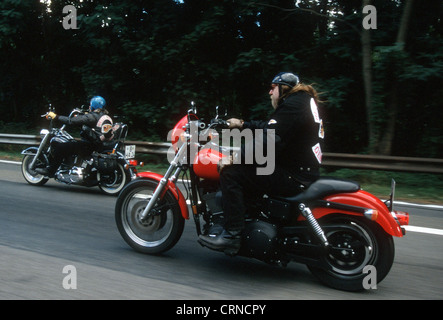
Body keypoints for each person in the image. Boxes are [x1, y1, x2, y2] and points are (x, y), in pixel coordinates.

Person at [199, 72, 325, 252]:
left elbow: (269, 139)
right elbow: (270, 127)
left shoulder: (294, 103)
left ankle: (231, 236)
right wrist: (241, 124)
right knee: (248, 168)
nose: (270, 92)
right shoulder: (301, 102)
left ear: (284, 88)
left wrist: (235, 157)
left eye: (273, 88)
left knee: (231, 173)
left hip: (294, 174)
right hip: (298, 169)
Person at [35, 96, 114, 177]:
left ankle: (50, 171)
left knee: (61, 148)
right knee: (72, 145)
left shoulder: (92, 117)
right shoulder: (106, 117)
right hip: (100, 145)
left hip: (89, 146)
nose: (89, 106)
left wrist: (56, 117)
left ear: (93, 106)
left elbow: (71, 121)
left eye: (90, 105)